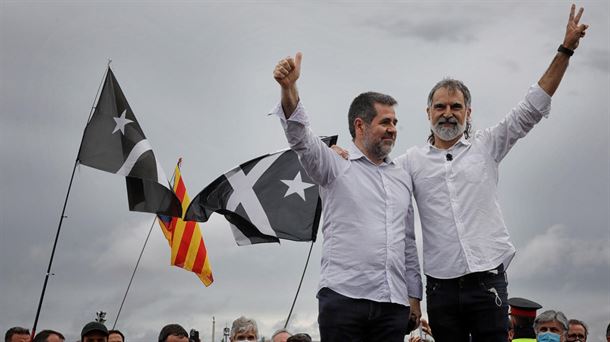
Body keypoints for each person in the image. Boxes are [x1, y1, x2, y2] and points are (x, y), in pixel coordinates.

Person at [399, 5, 587, 342]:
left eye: (455, 106)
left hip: (487, 280)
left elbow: (532, 106)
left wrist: (566, 50)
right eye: (440, 106)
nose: (447, 113)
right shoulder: (410, 161)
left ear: (468, 113)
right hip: (440, 287)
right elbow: (376, 179)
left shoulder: (487, 146)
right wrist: (343, 152)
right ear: (428, 112)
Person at [272, 51, 422, 341]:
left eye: (394, 123)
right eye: (385, 122)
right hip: (344, 300)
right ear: (360, 125)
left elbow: (408, 243)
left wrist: (414, 296)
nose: (392, 130)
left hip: (393, 305)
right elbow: (301, 139)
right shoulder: (334, 164)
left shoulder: (402, 177)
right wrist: (288, 89)